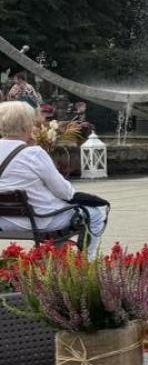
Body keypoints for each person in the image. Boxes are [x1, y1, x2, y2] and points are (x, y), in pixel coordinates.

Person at [0, 101, 109, 253]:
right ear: (27, 126)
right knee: (96, 214)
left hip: (4, 221)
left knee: (62, 210)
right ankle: (86, 261)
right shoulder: (34, 153)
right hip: (40, 220)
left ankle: (57, 260)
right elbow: (64, 192)